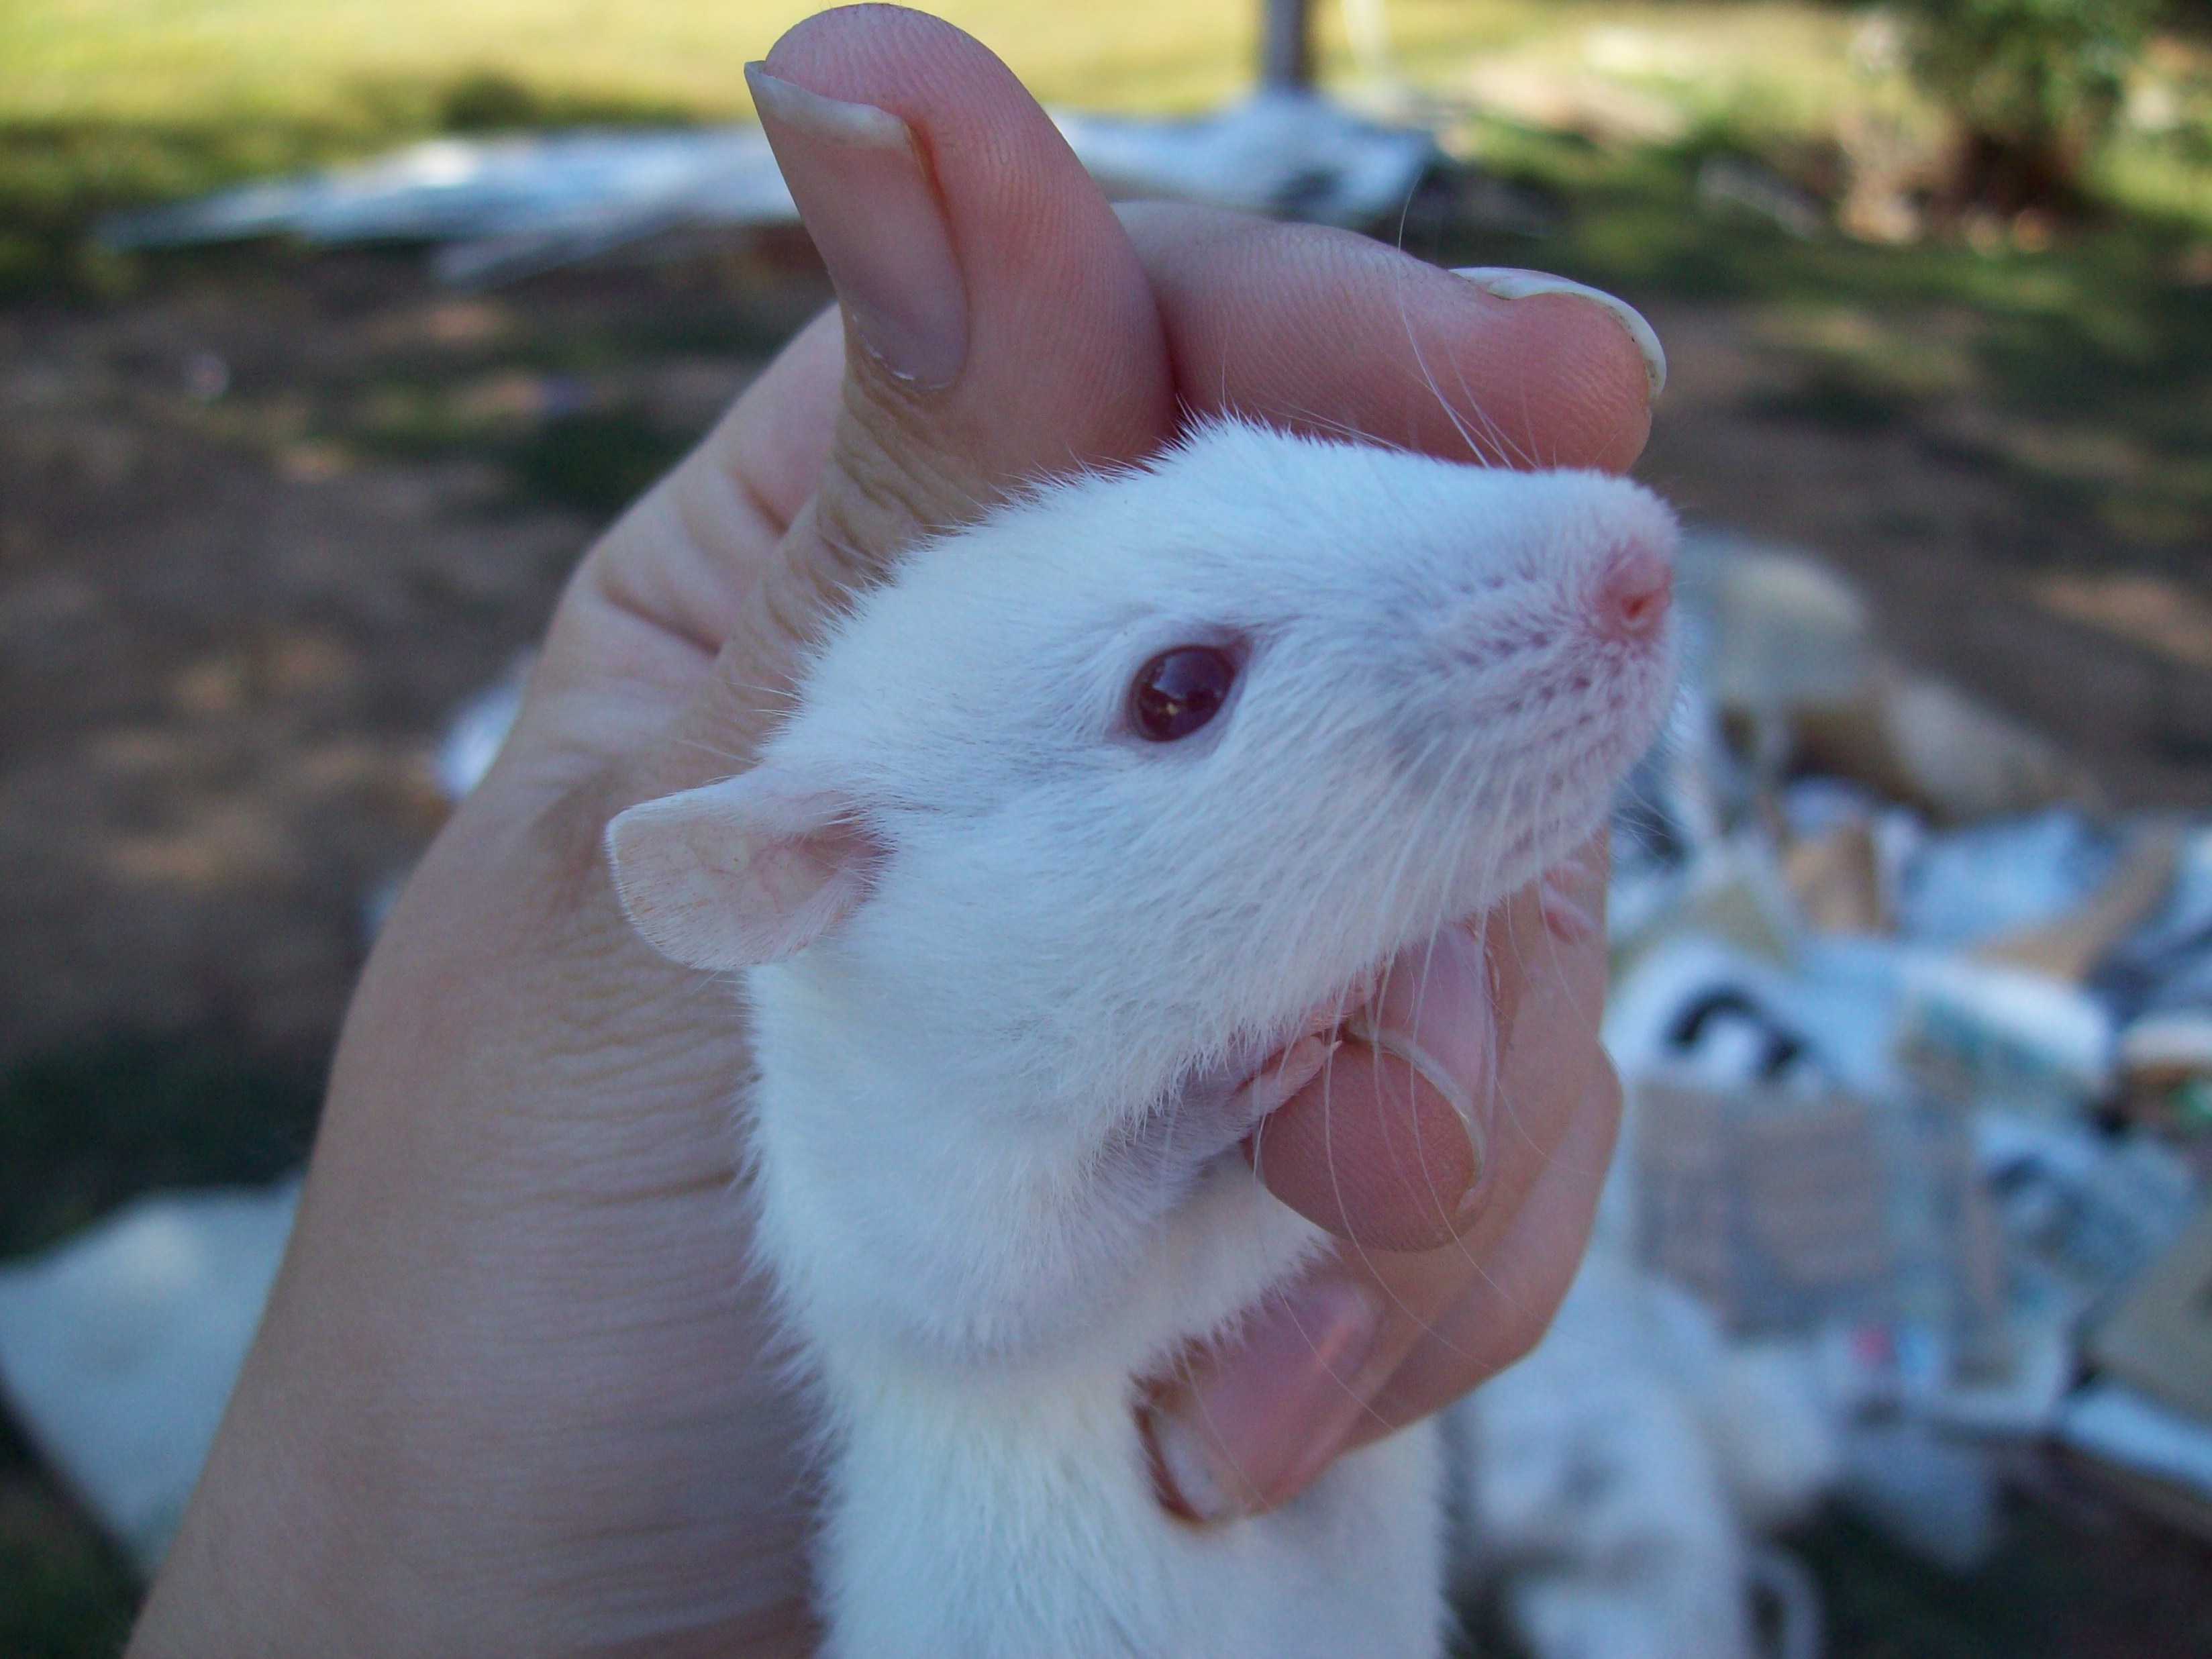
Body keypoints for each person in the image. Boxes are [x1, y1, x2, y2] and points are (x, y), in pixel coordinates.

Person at [125, 7, 1662, 1654]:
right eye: (1181, 691)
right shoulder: (876, 1088)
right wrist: (1189, 1127)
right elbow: (970, 1316)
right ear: (805, 871)